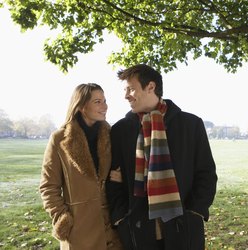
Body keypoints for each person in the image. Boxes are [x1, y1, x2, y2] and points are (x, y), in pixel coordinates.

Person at [106, 64, 218, 250]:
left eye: (131, 89)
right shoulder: (121, 130)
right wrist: (121, 218)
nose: (126, 96)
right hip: (138, 229)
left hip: (183, 226)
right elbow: (113, 180)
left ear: (150, 87)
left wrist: (195, 211)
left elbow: (206, 173)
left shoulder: (191, 125)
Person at [39, 83, 123, 250]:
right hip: (79, 231)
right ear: (82, 106)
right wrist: (62, 218)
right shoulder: (59, 139)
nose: (105, 106)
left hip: (112, 229)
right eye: (98, 101)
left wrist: (122, 178)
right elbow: (48, 186)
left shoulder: (111, 136)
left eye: (105, 100)